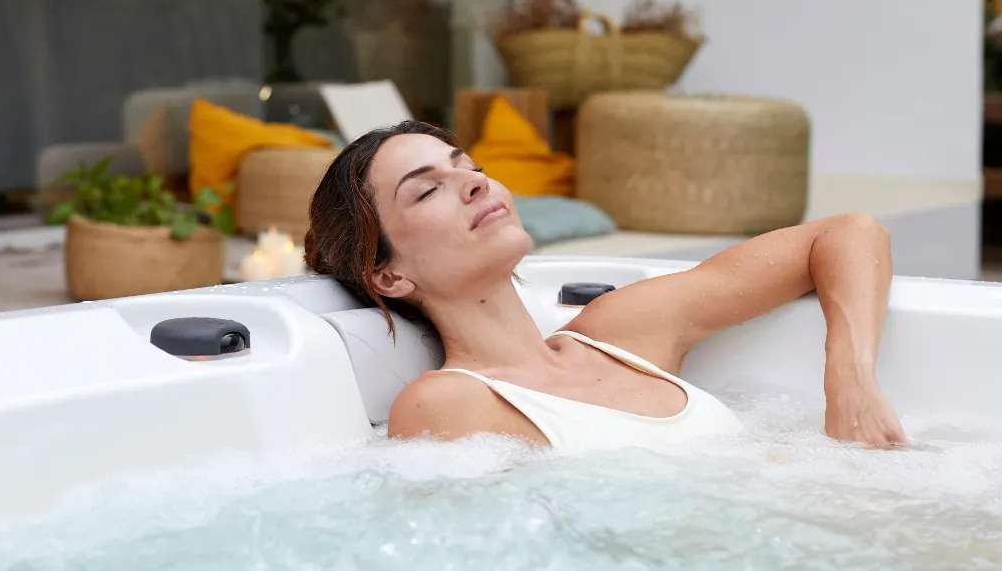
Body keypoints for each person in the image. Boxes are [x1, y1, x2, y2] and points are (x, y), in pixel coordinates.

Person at [304, 120, 908, 451]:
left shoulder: (623, 331)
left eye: (471, 168)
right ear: (388, 274)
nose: (475, 185)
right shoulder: (446, 402)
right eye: (427, 188)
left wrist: (849, 375)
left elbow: (848, 234)